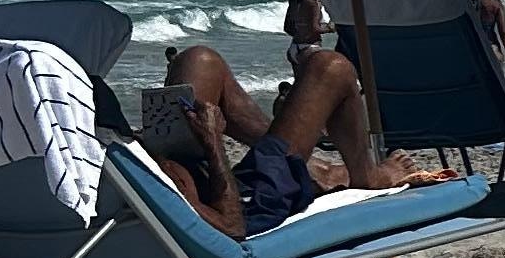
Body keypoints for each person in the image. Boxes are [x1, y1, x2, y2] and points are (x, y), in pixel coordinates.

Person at [140, 24, 415, 238]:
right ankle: (365, 175)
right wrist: (213, 142)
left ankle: (307, 164)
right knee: (332, 68)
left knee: (200, 59)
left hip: (191, 174)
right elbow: (233, 226)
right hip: (250, 201)